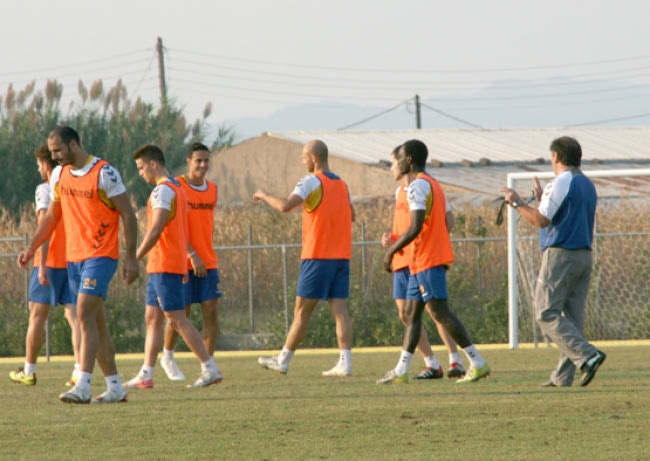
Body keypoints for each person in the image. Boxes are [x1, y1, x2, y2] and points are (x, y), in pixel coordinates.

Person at [17, 126, 139, 404]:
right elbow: (51, 217)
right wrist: (31, 248)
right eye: (51, 152)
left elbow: (128, 215)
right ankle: (115, 387)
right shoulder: (59, 175)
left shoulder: (104, 173)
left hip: (101, 256)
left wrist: (131, 257)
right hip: (74, 258)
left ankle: (82, 385)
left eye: (58, 150)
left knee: (82, 311)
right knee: (96, 323)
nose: (54, 157)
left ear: (73, 144)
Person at [377, 139, 490, 384]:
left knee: (440, 312)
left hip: (428, 259)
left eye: (398, 159)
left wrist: (390, 251)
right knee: (411, 314)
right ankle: (401, 370)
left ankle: (477, 362)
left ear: (408, 160)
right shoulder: (432, 183)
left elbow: (415, 226)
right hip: (419, 261)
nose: (395, 164)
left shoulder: (418, 185)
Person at [501, 136, 605, 387]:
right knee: (572, 318)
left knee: (545, 312)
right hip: (584, 255)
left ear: (556, 156)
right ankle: (562, 376)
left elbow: (540, 220)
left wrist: (516, 202)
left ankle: (588, 355)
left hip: (561, 255)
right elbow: (564, 215)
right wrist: (541, 200)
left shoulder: (561, 181)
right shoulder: (587, 183)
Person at [125, 144, 223, 389]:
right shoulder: (177, 188)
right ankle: (146, 373)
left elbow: (156, 228)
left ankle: (209, 368)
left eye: (141, 168)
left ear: (153, 164)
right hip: (160, 264)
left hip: (165, 264)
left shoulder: (163, 191)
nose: (140, 173)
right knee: (152, 317)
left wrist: (134, 256)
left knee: (177, 319)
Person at [254, 139, 354, 376]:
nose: (303, 161)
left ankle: (283, 360)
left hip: (317, 256)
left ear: (314, 158)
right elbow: (351, 214)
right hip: (341, 256)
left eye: (304, 157)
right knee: (340, 311)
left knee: (301, 312)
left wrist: (264, 194)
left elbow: (285, 206)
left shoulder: (311, 181)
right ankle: (345, 363)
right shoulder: (342, 184)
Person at [9, 145, 81, 387]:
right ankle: (79, 371)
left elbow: (46, 225)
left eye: (39, 166)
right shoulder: (71, 186)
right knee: (74, 317)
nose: (38, 170)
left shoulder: (45, 189)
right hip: (72, 259)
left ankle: (29, 371)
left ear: (47, 166)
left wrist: (41, 264)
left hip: (49, 261)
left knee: (37, 316)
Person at [159, 142, 222, 382]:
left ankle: (208, 367)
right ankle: (167, 356)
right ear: (189, 162)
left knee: (211, 310)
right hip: (183, 260)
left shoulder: (213, 189)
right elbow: (172, 225)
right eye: (198, 161)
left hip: (208, 260)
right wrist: (191, 254)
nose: (203, 165)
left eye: (206, 160)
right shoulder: (177, 187)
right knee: (180, 312)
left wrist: (201, 254)